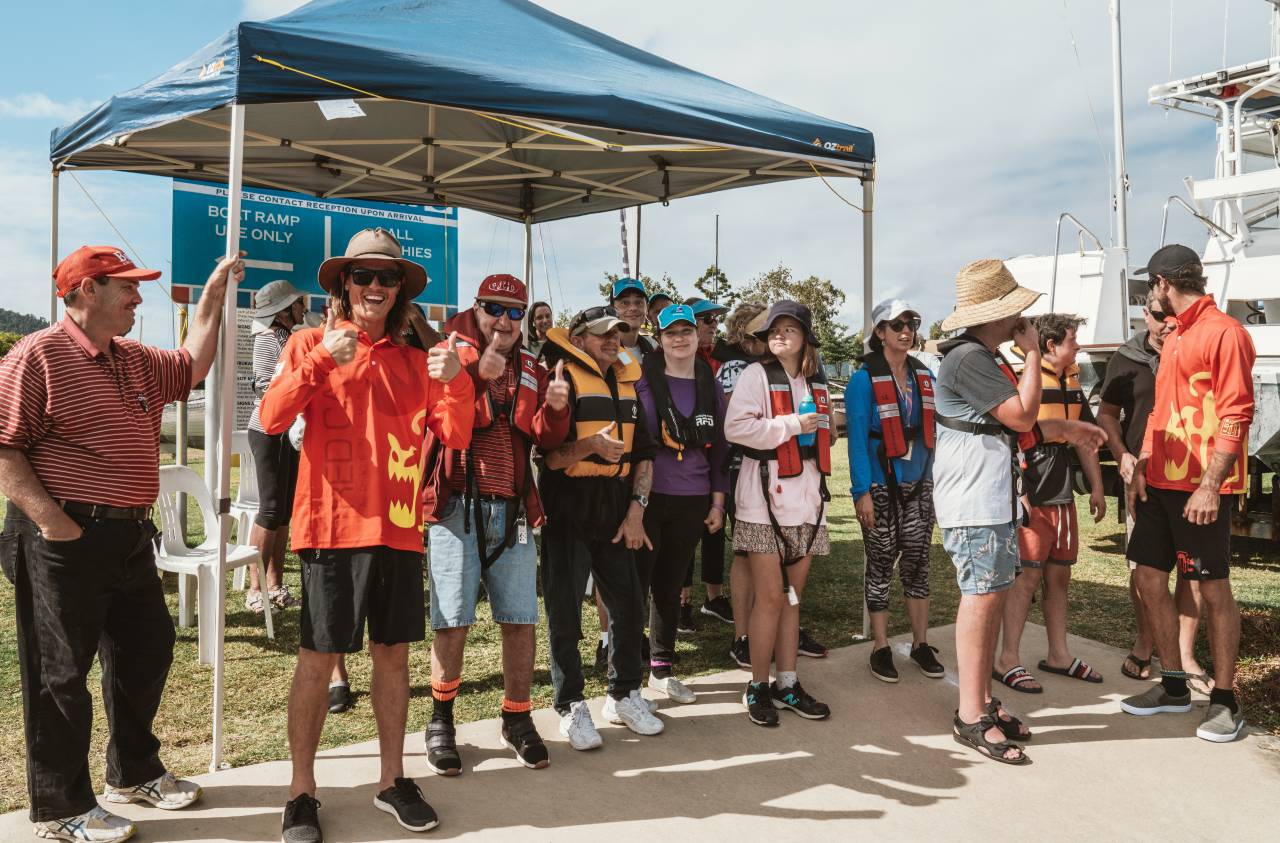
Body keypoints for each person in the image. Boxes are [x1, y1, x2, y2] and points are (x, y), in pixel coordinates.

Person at [0, 245, 243, 842]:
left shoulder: (132, 358)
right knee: (60, 674)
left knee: (148, 647)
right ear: (86, 289)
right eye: (127, 287)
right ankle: (60, 809)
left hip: (130, 535)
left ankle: (132, 773)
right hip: (62, 538)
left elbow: (191, 367)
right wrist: (54, 523)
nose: (138, 298)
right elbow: (4, 447)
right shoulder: (38, 356)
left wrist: (213, 296)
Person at [260, 228, 474, 840]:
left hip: (401, 531)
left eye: (388, 278)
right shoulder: (308, 342)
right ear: (344, 286)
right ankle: (301, 791)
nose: (375, 286)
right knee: (318, 658)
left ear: (401, 291)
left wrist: (457, 379)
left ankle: (390, 779)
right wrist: (326, 357)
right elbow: (274, 417)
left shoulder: (418, 362)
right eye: (363, 276)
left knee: (393, 656)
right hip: (329, 529)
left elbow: (456, 435)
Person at [933, 259, 1104, 765]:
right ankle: (970, 716)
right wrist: (1032, 354)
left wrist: (1070, 431)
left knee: (992, 596)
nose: (1024, 321)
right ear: (997, 315)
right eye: (1017, 314)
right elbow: (1023, 414)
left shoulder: (981, 356)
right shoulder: (969, 358)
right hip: (974, 501)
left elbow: (1017, 429)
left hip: (993, 499)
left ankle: (982, 700)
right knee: (980, 600)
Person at [419, 275, 570, 775]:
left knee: (520, 618)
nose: (503, 321)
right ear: (476, 308)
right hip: (457, 505)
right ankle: (441, 719)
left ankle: (517, 718)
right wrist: (477, 377)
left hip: (513, 508)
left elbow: (544, 441)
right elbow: (447, 422)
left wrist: (557, 409)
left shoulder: (531, 365)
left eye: (513, 312)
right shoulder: (447, 354)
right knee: (453, 620)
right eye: (493, 309)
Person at [1121, 244, 1255, 743]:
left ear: (1161, 283)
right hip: (1159, 483)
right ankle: (1174, 685)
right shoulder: (1175, 334)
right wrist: (1142, 466)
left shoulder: (1225, 332)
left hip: (1200, 488)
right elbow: (1161, 410)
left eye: (1149, 285)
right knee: (1149, 579)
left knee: (1212, 587)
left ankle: (1224, 700)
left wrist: (1210, 486)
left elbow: (1237, 413)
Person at [538, 305, 665, 749]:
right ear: (578, 338)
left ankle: (624, 693)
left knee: (629, 604)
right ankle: (570, 705)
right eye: (602, 334)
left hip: (616, 507)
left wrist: (636, 511)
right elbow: (549, 457)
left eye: (619, 332)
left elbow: (645, 452)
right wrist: (589, 445)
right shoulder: (562, 378)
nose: (613, 340)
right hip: (567, 505)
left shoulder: (629, 382)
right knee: (565, 611)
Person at [725, 300, 834, 727]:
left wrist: (825, 427)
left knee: (792, 599)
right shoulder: (755, 375)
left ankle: (787, 682)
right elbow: (736, 428)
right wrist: (790, 425)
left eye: (790, 329)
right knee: (770, 598)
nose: (779, 335)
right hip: (762, 503)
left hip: (807, 503)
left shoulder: (816, 382)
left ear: (806, 336)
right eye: (774, 329)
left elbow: (825, 436)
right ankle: (757, 686)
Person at [1097, 292, 1210, 686]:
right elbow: (1107, 413)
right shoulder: (1126, 358)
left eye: (1171, 315)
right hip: (1143, 481)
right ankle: (1146, 642)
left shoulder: (1195, 347)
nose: (1166, 322)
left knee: (1191, 570)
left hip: (1192, 477)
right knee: (1145, 569)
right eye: (1158, 316)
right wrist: (1122, 454)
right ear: (1144, 314)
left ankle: (1185, 655)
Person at [994, 314, 1107, 694]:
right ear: (1050, 346)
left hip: (1062, 496)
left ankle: (1058, 654)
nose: (1078, 347)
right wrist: (1020, 495)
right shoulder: (1026, 382)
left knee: (1059, 576)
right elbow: (1011, 441)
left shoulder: (1072, 382)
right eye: (1073, 341)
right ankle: (1007, 658)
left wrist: (1095, 486)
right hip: (1033, 491)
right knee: (1026, 578)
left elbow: (1084, 438)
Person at [634, 303, 731, 704]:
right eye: (670, 332)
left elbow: (721, 450)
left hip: (692, 497)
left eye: (686, 331)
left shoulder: (710, 382)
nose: (679, 338)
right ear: (659, 339)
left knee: (671, 586)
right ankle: (623, 678)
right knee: (635, 585)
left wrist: (717, 504)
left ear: (696, 336)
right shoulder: (645, 379)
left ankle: (661, 667)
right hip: (650, 497)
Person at [846, 299, 945, 683]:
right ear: (880, 332)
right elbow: (856, 439)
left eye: (912, 323)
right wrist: (861, 492)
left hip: (920, 484)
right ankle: (881, 646)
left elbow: (936, 432)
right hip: (879, 485)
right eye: (897, 324)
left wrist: (933, 482)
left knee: (919, 565)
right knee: (881, 563)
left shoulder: (925, 377)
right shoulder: (863, 380)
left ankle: (920, 644)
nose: (906, 331)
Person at [245, 279, 307, 616]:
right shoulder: (269, 338)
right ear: (283, 310)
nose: (303, 308)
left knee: (283, 511)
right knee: (270, 509)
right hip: (269, 430)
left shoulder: (286, 337)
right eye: (297, 303)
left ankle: (275, 585)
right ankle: (256, 590)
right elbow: (266, 386)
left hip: (285, 431)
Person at [713, 301, 769, 668]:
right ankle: (743, 636)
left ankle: (769, 629)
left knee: (770, 553)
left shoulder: (771, 366)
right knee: (746, 552)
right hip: (739, 467)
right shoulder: (735, 367)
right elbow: (734, 418)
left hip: (773, 470)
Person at [613, 277, 657, 361]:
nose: (633, 308)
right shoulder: (603, 349)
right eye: (625, 303)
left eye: (638, 302)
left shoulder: (653, 346)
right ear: (612, 308)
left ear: (646, 308)